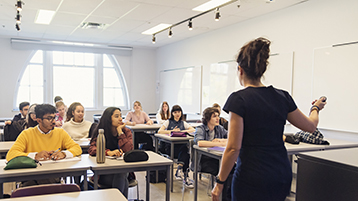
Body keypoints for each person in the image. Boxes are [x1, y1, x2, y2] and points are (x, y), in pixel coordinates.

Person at [211, 37, 327, 201]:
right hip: (280, 174)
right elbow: (310, 126)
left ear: (240, 70)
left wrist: (220, 182)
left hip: (251, 178)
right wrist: (315, 108)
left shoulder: (238, 99)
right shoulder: (282, 97)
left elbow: (233, 148)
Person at [6, 104, 82, 186]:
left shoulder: (60, 133)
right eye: (49, 118)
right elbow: (11, 155)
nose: (53, 121)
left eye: (54, 117)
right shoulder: (27, 134)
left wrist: (64, 154)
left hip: (53, 175)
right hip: (31, 177)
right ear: (39, 120)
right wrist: (35, 156)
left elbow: (77, 148)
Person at [88, 107, 133, 198]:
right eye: (117, 116)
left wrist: (120, 132)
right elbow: (92, 149)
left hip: (123, 170)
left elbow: (129, 150)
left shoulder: (126, 131)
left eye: (121, 116)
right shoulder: (100, 131)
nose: (120, 118)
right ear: (109, 118)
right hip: (105, 173)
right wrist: (108, 152)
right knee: (122, 177)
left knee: (121, 173)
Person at [194, 107, 233, 201]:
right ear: (207, 118)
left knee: (232, 169)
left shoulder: (219, 128)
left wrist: (220, 140)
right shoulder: (200, 128)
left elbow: (231, 138)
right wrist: (218, 143)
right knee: (224, 173)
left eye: (218, 116)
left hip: (217, 159)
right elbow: (200, 143)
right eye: (214, 116)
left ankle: (229, 197)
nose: (217, 118)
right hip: (204, 161)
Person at [158, 105, 195, 188]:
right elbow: (160, 131)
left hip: (181, 149)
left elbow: (193, 130)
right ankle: (185, 176)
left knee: (185, 151)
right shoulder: (168, 122)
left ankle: (180, 170)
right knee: (185, 152)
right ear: (172, 113)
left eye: (179, 112)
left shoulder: (183, 123)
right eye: (175, 112)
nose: (177, 114)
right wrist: (172, 131)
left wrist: (182, 131)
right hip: (170, 148)